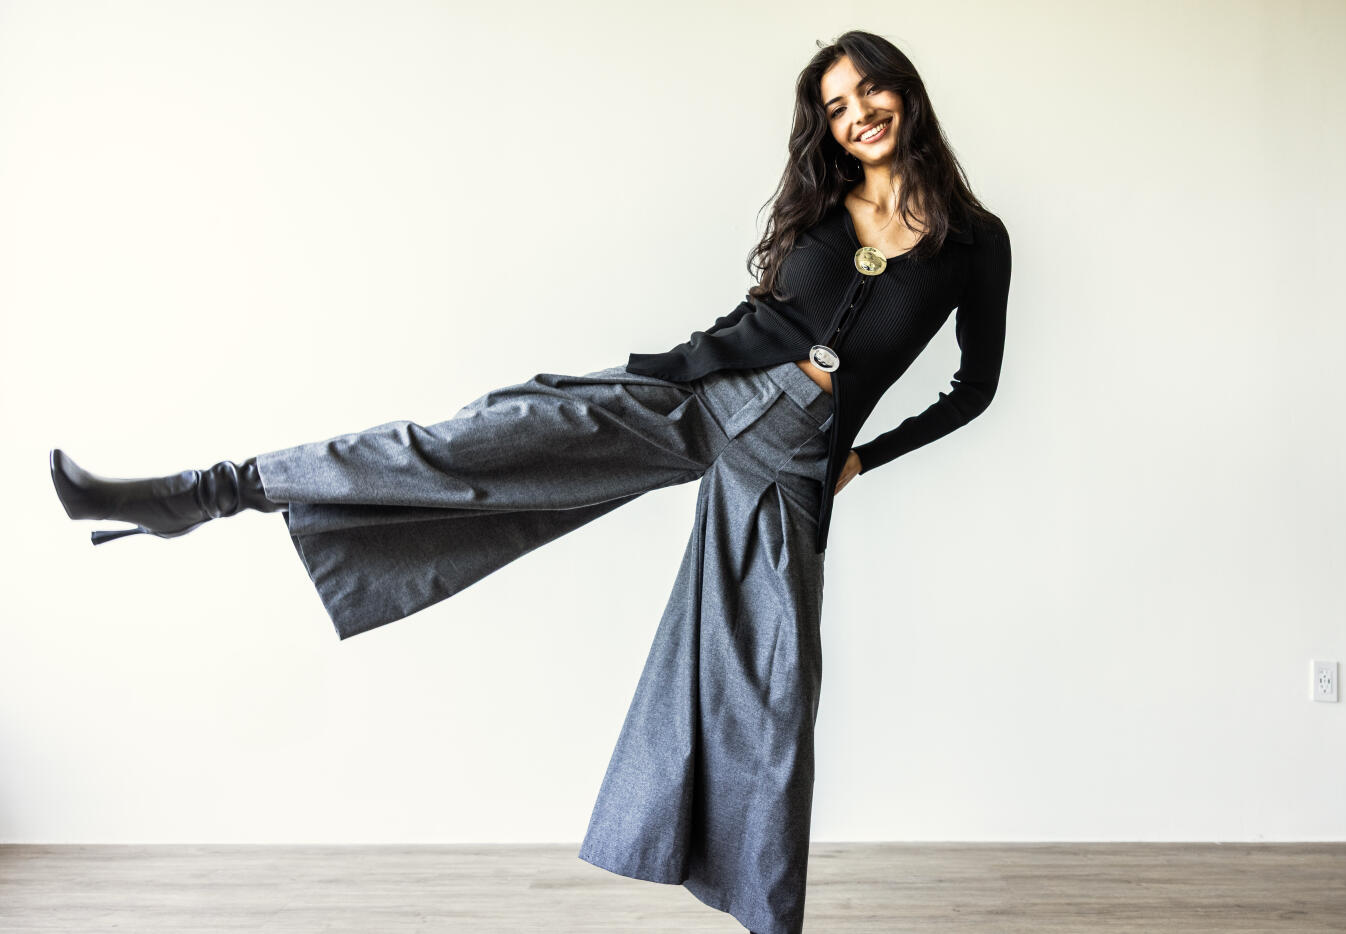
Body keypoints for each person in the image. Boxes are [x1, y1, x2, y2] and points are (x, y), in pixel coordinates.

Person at [48, 29, 1011, 934]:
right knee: (470, 446)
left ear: (904, 90)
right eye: (836, 106)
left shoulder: (975, 243)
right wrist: (660, 371)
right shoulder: (821, 210)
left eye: (867, 91)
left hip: (792, 465)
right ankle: (205, 492)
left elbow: (974, 390)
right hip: (699, 400)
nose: (857, 115)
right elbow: (755, 317)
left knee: (770, 700)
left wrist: (861, 457)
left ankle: (767, 917)